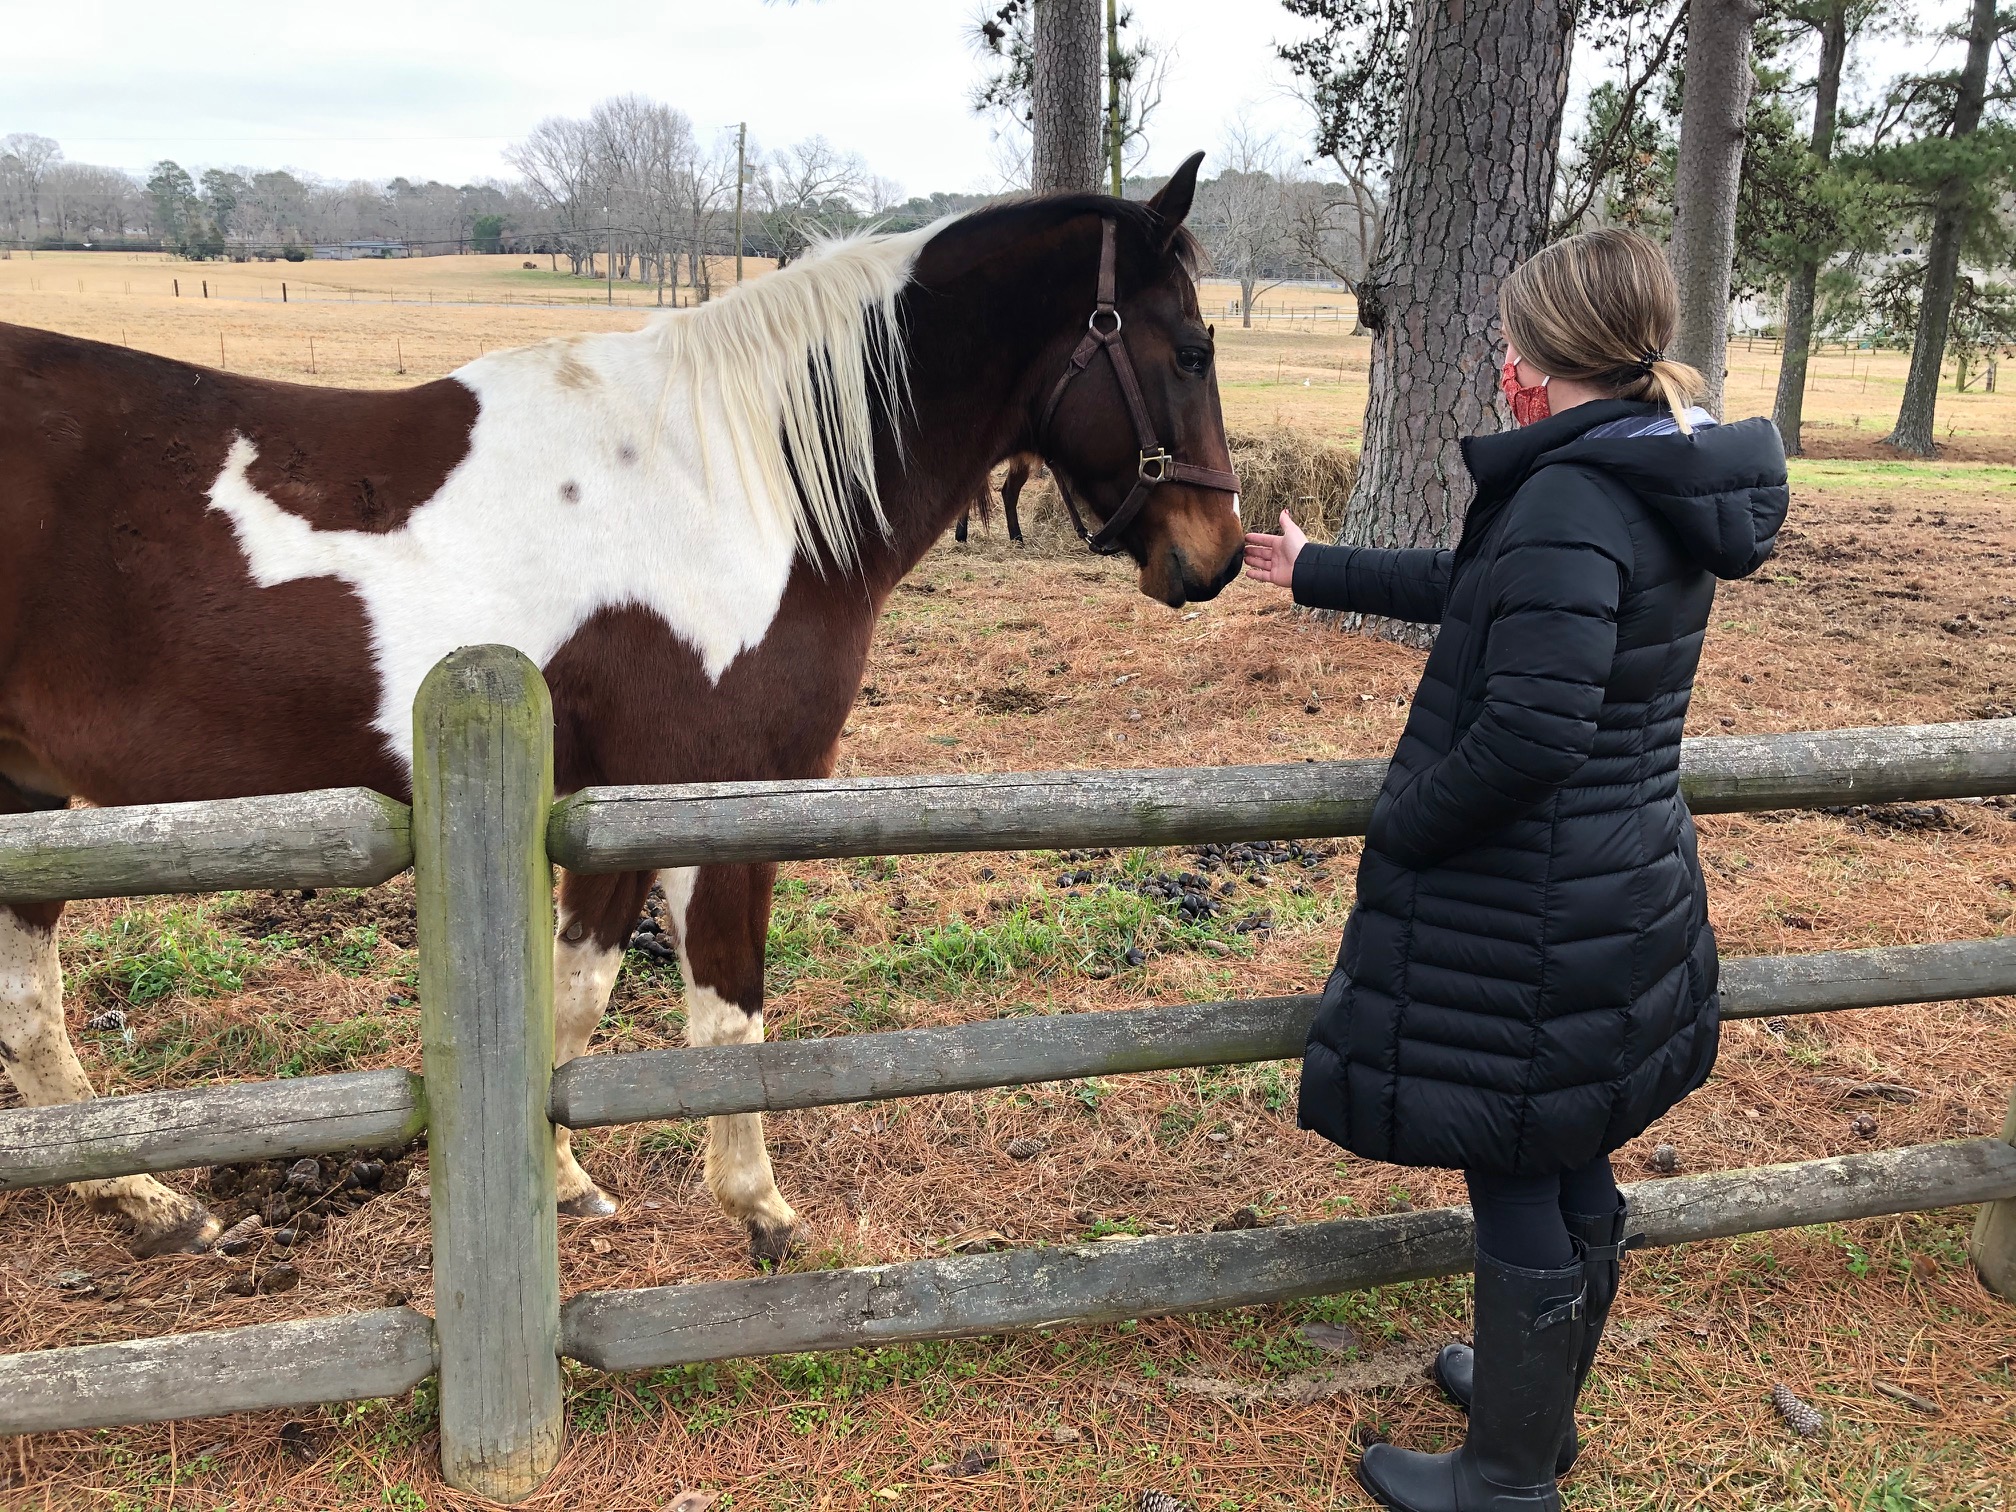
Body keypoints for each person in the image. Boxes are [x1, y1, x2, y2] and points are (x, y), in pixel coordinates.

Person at [1243, 228, 1789, 1512]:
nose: (1500, 364)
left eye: (1512, 344)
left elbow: (1532, 729)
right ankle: (1533, 1417)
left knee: (1518, 1167)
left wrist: (1406, 822)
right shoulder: (1644, 472)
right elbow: (1485, 589)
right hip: (1620, 880)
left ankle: (1501, 1478)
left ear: (1546, 368)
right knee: (1572, 1149)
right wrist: (1314, 566)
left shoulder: (1572, 494)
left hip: (1535, 905)